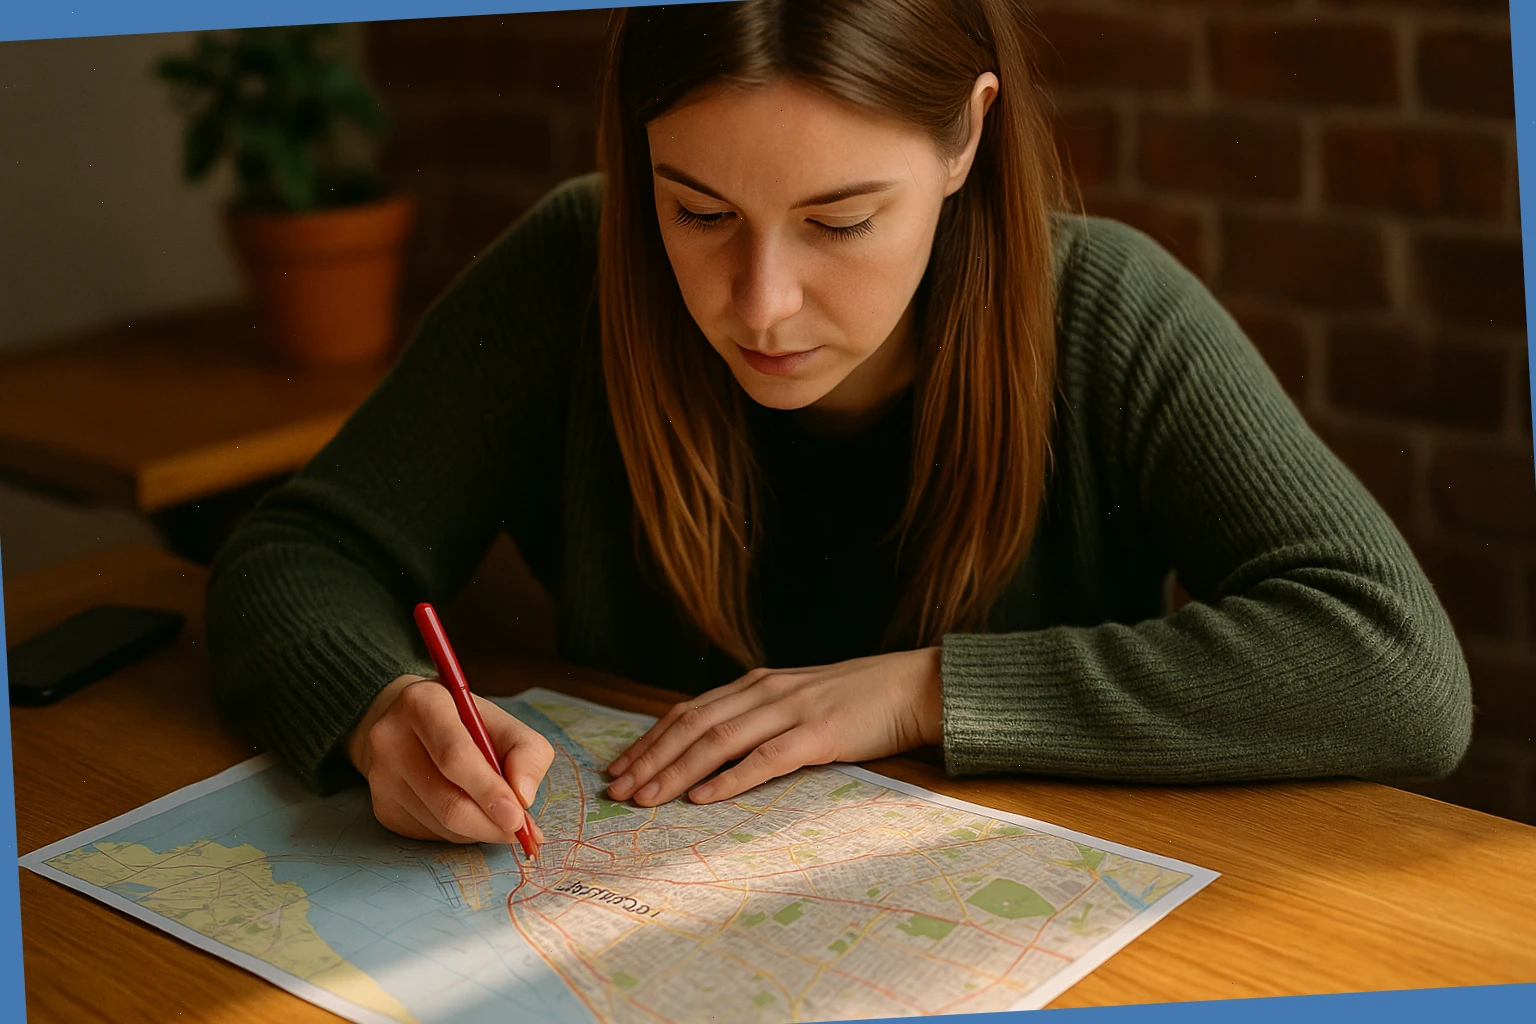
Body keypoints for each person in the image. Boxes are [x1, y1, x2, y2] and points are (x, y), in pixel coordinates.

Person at [205, 0, 1472, 849]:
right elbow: (297, 555)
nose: (758, 307)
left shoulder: (1109, 312)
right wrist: (379, 710)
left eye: (840, 222)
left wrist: (926, 691)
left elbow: (1399, 668)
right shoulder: (574, 269)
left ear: (968, 137)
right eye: (696, 212)